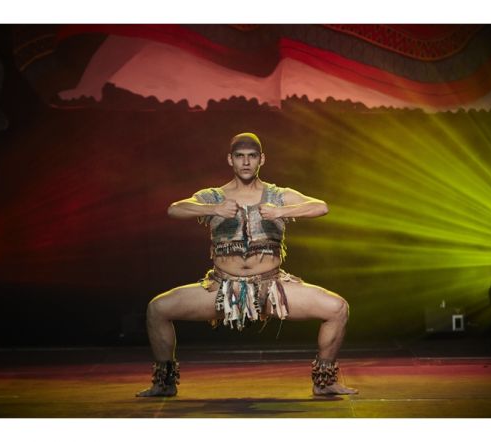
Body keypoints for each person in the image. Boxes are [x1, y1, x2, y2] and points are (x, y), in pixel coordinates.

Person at [137, 132, 358, 397]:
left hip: (271, 289)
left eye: (252, 156)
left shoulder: (277, 196)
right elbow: (175, 208)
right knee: (157, 309)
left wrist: (281, 212)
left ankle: (325, 382)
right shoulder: (214, 196)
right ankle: (164, 384)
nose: (245, 162)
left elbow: (320, 206)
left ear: (261, 159)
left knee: (337, 308)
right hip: (221, 288)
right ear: (230, 159)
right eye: (240, 156)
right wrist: (214, 210)